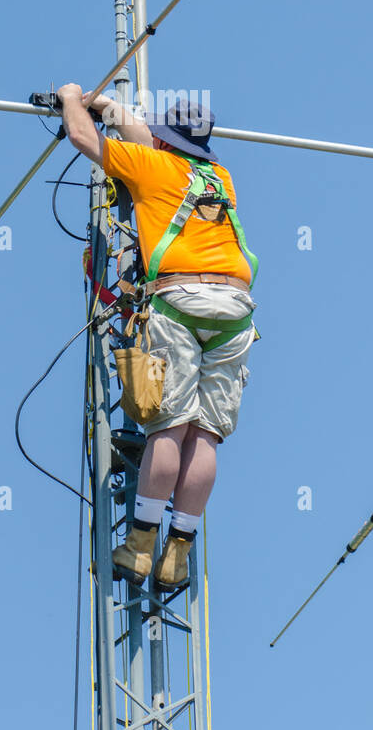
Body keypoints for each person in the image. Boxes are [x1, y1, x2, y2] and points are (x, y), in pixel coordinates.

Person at [56, 84, 257, 591]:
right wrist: (113, 109)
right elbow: (151, 141)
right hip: (234, 311)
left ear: (164, 144)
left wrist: (73, 97)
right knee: (205, 434)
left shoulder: (151, 168)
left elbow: (82, 135)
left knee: (168, 427)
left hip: (180, 301)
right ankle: (177, 556)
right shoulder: (218, 178)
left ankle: (141, 546)